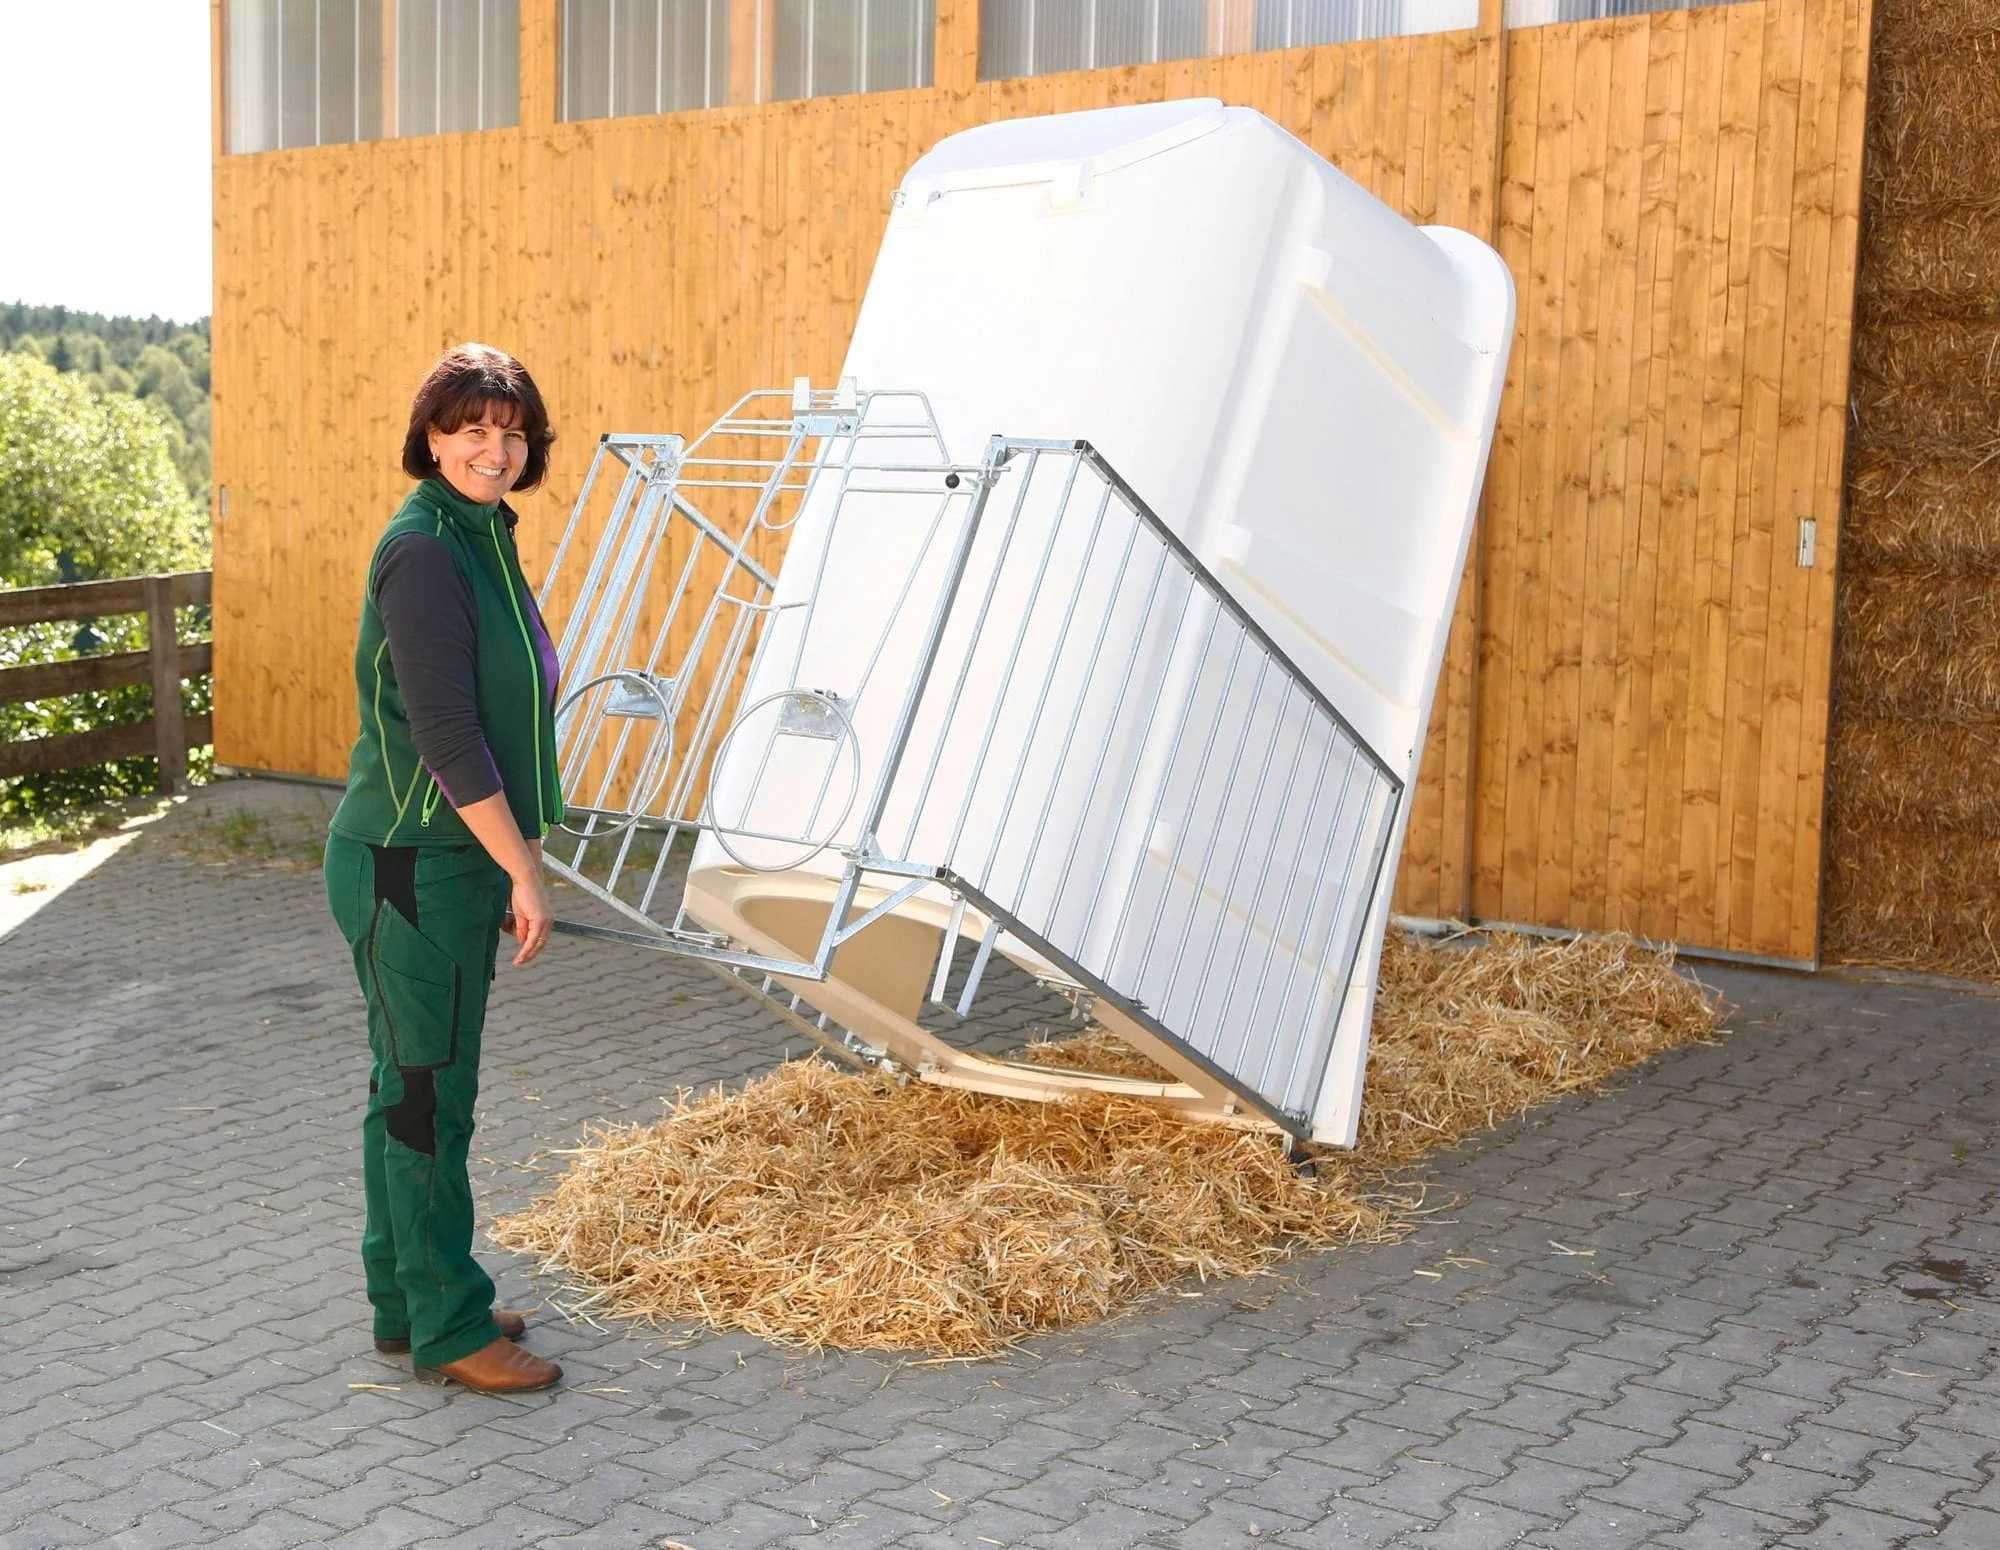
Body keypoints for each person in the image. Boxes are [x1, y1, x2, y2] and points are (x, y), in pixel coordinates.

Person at [323, 343, 566, 1394]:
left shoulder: (478, 535)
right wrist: (524, 869)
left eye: (510, 431)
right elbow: (447, 735)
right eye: (471, 429)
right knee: (430, 1097)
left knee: (408, 1088)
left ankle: (412, 1295)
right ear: (431, 437)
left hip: (434, 859)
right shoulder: (424, 547)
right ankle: (450, 1327)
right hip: (417, 864)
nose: (494, 448)